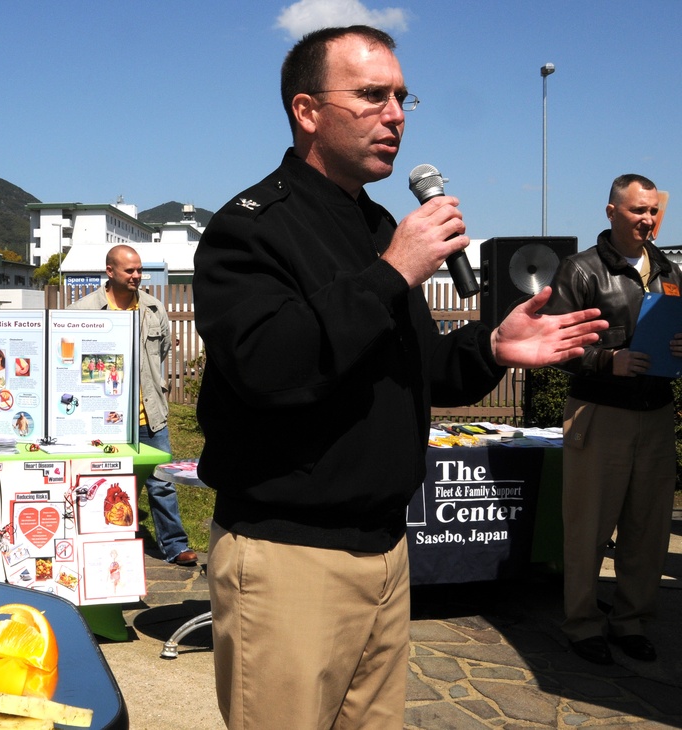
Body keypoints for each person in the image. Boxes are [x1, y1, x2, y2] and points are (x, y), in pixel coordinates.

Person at [192, 26, 608, 729]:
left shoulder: (377, 223)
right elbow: (270, 366)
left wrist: (494, 348)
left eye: (401, 96)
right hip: (290, 558)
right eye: (371, 95)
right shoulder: (251, 229)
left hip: (388, 553)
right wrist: (392, 270)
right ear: (307, 110)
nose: (396, 115)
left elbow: (416, 366)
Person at [543, 174, 682, 665]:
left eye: (652, 211)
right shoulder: (580, 271)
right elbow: (554, 346)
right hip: (600, 414)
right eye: (636, 210)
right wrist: (607, 360)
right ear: (611, 212)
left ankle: (630, 621)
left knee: (648, 527)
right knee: (589, 527)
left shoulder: (669, 269)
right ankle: (582, 624)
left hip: (656, 413)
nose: (647, 219)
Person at [69, 244, 198, 566]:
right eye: (130, 270)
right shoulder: (83, 312)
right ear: (110, 271)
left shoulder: (154, 309)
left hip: (150, 415)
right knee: (103, 482)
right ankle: (101, 547)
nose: (137, 276)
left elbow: (163, 351)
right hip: (105, 420)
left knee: (162, 483)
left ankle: (174, 545)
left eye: (139, 270)